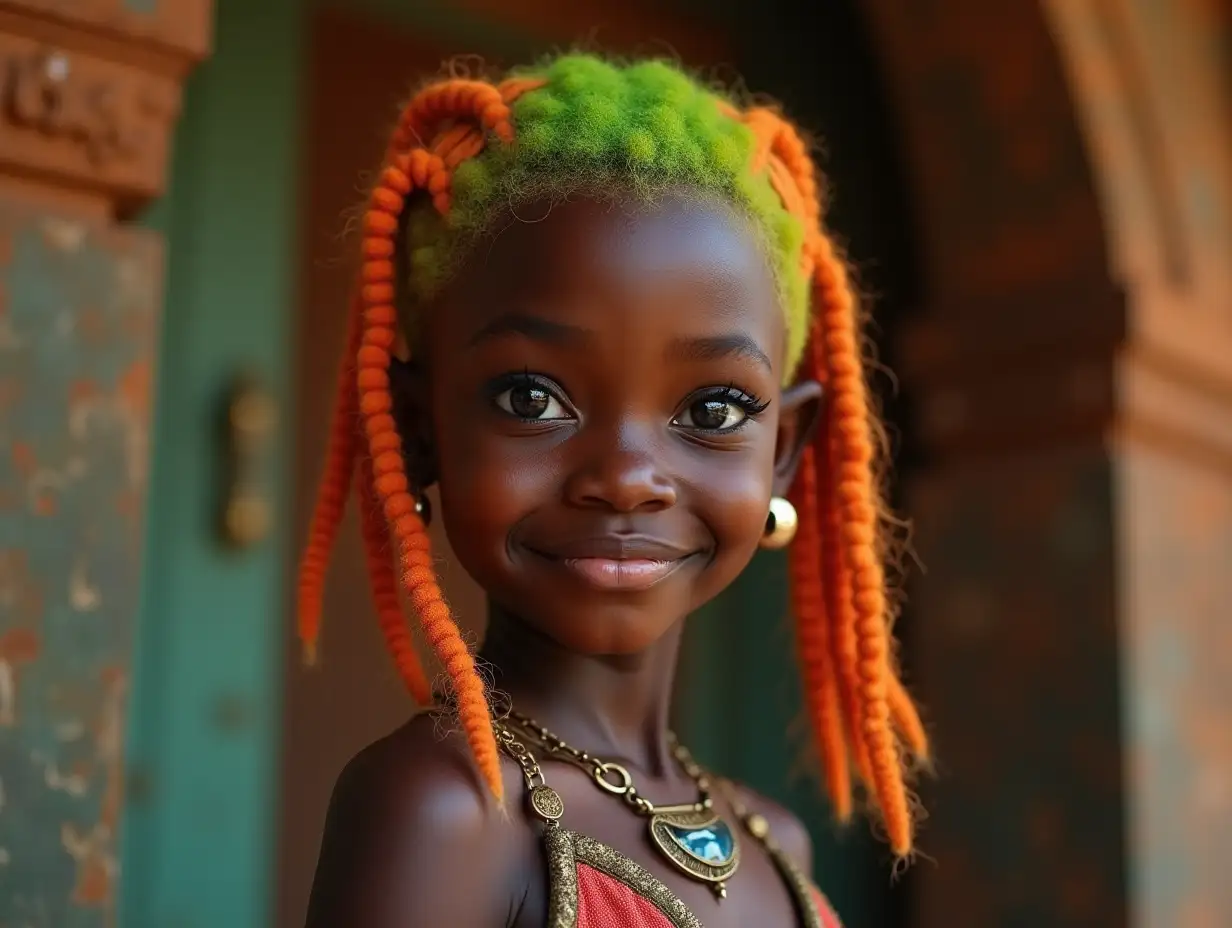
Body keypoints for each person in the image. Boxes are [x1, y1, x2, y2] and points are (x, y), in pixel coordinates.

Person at [296, 53, 928, 928]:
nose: (627, 478)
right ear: (418, 425)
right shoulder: (442, 814)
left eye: (713, 407)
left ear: (784, 449)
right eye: (532, 398)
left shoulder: (776, 839)